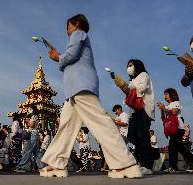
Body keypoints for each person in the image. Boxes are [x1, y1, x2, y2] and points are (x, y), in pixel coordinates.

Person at [39, 14, 141, 178]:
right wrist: (60, 58)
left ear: (77, 24)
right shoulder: (79, 37)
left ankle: (125, 163)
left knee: (100, 122)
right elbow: (72, 58)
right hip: (75, 90)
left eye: (68, 27)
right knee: (66, 126)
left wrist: (58, 57)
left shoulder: (78, 34)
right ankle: (56, 163)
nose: (67, 32)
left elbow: (70, 55)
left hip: (81, 85)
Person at [114, 59, 155, 175]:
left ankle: (147, 165)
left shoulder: (143, 75)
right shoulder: (132, 80)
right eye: (127, 66)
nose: (129, 67)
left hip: (143, 109)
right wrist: (123, 87)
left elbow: (140, 89)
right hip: (134, 112)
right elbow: (130, 96)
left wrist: (126, 88)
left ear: (137, 66)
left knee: (142, 136)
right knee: (132, 136)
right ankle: (141, 162)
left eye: (131, 65)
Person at [157, 88, 193, 173]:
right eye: (164, 95)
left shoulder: (176, 103)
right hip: (172, 129)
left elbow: (173, 113)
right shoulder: (167, 106)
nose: (165, 96)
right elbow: (163, 118)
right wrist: (162, 109)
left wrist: (163, 107)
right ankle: (174, 166)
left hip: (178, 128)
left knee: (175, 147)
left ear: (172, 94)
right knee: (178, 148)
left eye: (166, 94)